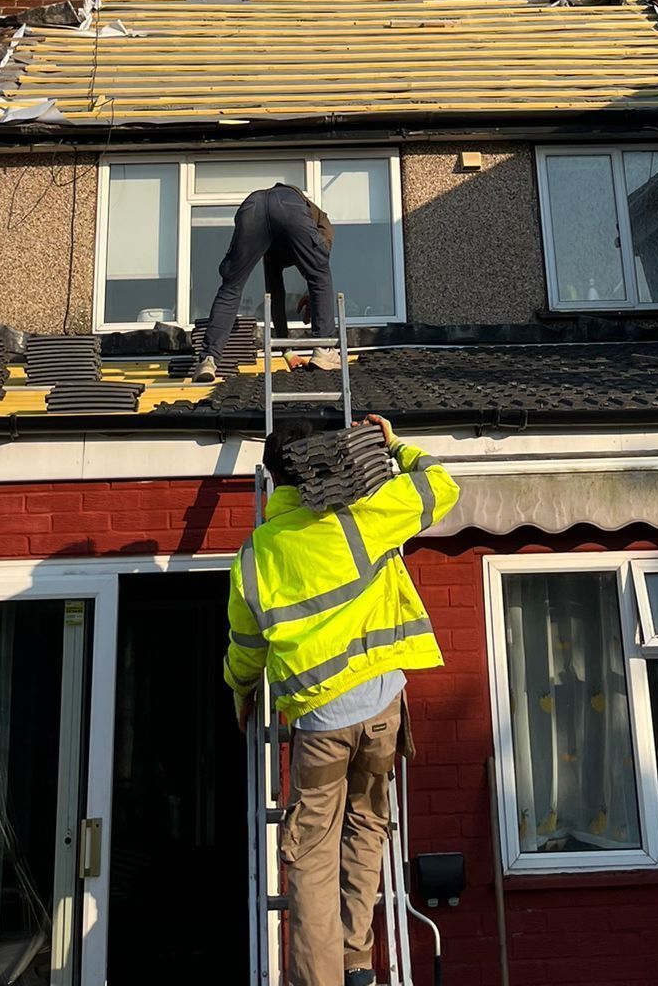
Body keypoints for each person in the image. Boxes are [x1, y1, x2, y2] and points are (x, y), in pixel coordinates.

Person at [225, 414, 460, 986]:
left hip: (321, 722)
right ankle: (359, 963)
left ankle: (320, 980)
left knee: (310, 855)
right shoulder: (359, 517)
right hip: (382, 709)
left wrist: (240, 694)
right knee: (368, 826)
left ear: (271, 478)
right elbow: (441, 486)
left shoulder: (255, 557)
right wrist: (392, 445)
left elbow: (245, 649)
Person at [191, 181, 339, 383]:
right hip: (289, 207)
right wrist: (314, 293)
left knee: (231, 286)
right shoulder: (320, 218)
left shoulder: (271, 253)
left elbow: (275, 299)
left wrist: (286, 352)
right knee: (321, 273)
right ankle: (324, 349)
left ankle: (208, 359)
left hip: (252, 207)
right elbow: (319, 264)